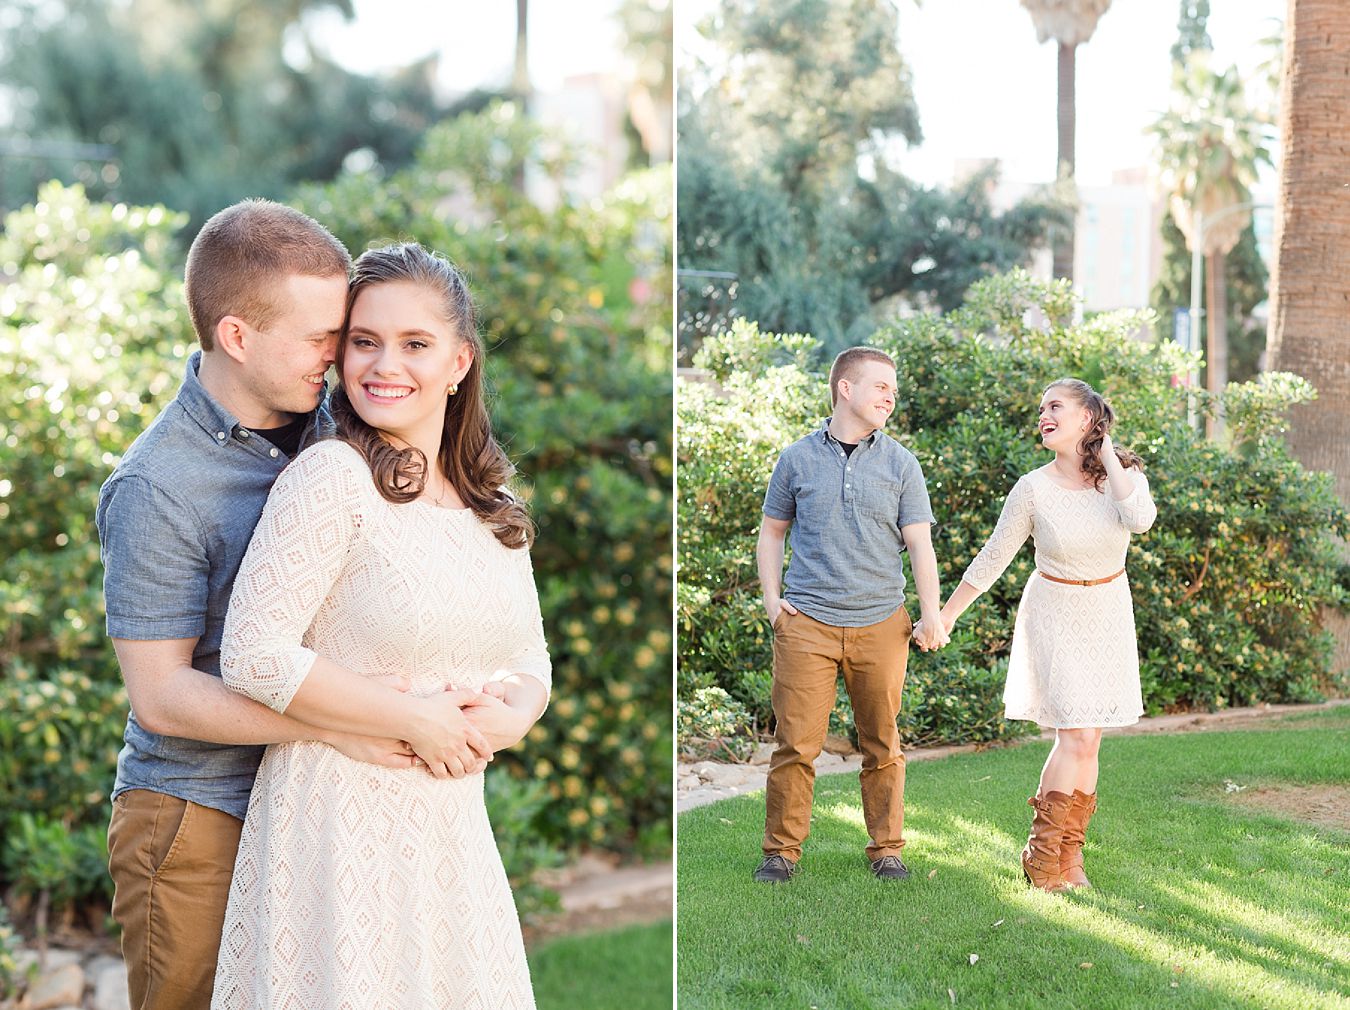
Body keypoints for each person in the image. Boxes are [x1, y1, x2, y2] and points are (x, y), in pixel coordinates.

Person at [97, 201, 491, 1010]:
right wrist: (358, 723)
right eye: (324, 337)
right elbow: (162, 696)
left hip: (330, 807)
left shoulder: (341, 428)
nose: (342, 354)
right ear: (238, 337)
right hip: (202, 811)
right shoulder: (156, 487)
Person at [210, 242, 551, 1009]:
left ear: (459, 361)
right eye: (364, 342)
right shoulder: (332, 478)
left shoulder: (491, 506)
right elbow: (253, 655)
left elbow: (531, 654)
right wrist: (412, 719)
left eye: (414, 345)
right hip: (334, 823)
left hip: (450, 827)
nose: (382, 365)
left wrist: (511, 718)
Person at [938, 378, 1157, 892]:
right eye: (1041, 409)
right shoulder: (1032, 487)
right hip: (1055, 610)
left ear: (1087, 418)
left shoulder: (1122, 478)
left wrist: (1108, 459)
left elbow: (1141, 521)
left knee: (1092, 738)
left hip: (1107, 609)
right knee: (1075, 734)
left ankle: (1071, 858)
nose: (1043, 415)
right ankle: (1042, 856)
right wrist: (947, 614)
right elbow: (994, 556)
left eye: (1055, 407)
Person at [753, 346, 947, 884]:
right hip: (807, 623)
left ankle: (887, 850)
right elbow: (772, 532)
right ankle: (781, 853)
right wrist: (773, 602)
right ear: (846, 388)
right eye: (881, 386)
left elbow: (920, 545)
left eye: (894, 389)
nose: (891, 396)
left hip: (882, 623)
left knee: (883, 743)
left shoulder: (901, 463)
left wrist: (931, 612)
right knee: (795, 745)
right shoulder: (796, 459)